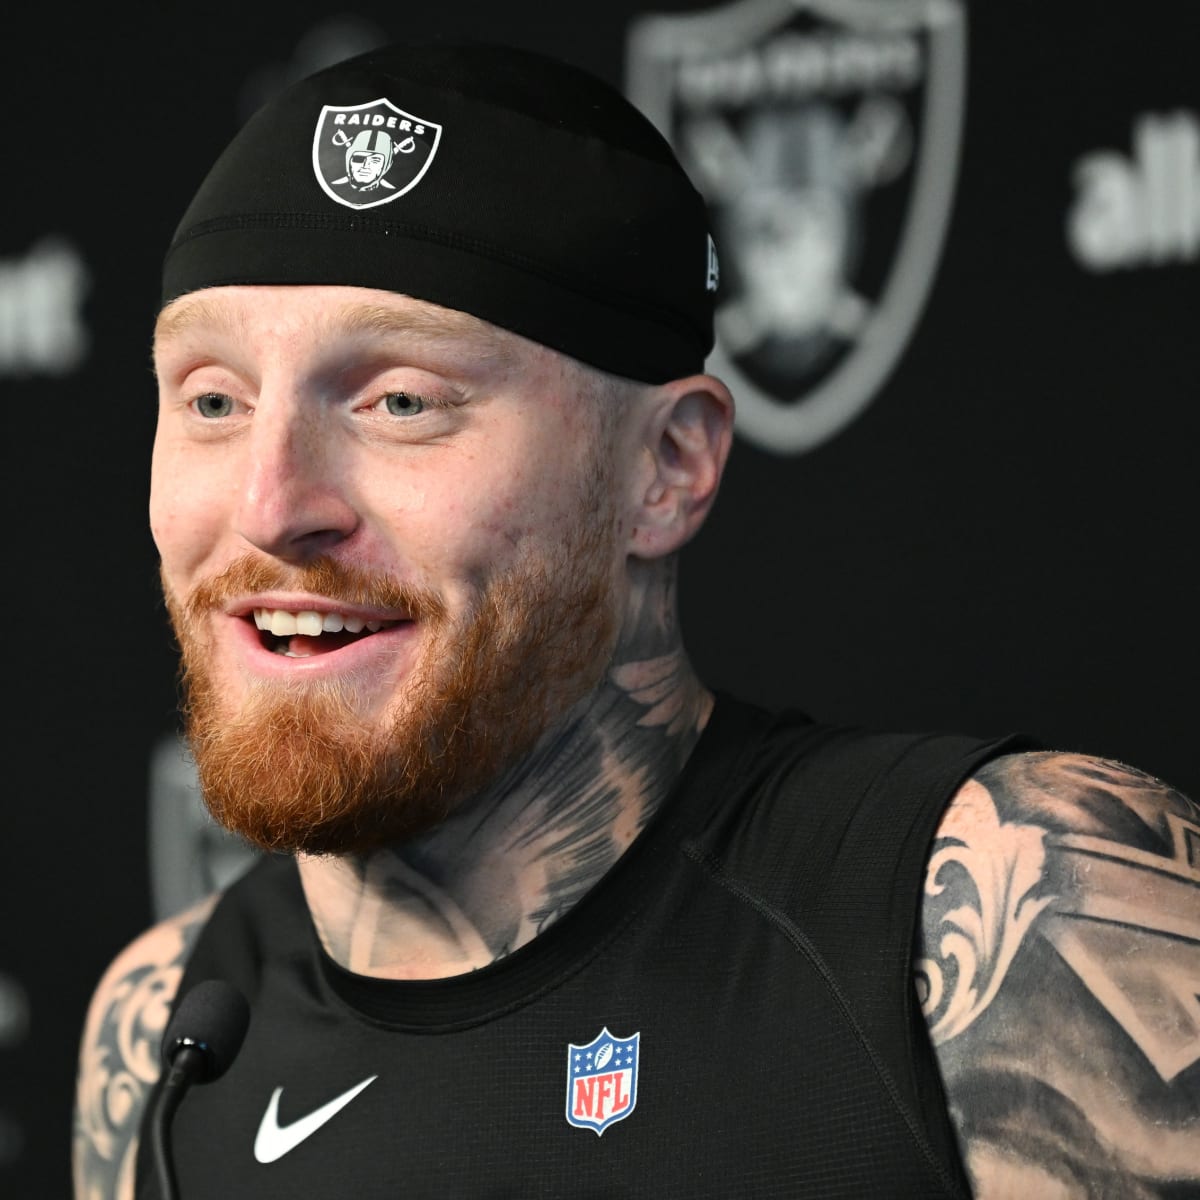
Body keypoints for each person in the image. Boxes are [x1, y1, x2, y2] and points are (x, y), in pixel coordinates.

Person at [73, 40, 1198, 1199]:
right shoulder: (162, 1030)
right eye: (213, 400)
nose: (270, 507)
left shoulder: (1014, 916)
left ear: (665, 467)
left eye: (399, 401)